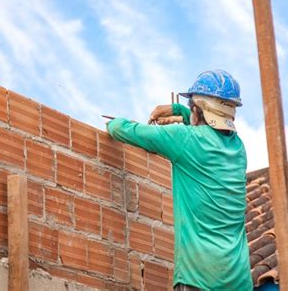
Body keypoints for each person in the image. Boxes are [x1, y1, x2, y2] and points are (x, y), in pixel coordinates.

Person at [107, 70, 253, 290]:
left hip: (199, 278)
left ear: (198, 109)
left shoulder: (184, 139)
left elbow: (119, 129)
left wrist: (114, 122)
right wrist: (182, 111)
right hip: (239, 280)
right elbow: (209, 128)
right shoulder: (238, 149)